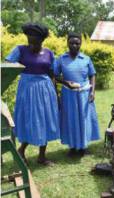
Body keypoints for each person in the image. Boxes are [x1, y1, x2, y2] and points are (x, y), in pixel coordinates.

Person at [5, 23, 60, 166]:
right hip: (27, 90)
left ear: (42, 40)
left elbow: (52, 73)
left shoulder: (49, 53)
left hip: (45, 89)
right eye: (29, 41)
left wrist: (55, 93)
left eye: (35, 42)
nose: (32, 45)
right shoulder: (20, 50)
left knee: (46, 120)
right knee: (30, 120)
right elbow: (6, 66)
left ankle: (42, 156)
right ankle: (21, 150)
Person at [54, 32, 100, 156]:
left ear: (81, 44)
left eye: (77, 43)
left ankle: (83, 146)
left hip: (84, 94)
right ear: (67, 43)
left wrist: (93, 91)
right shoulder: (61, 59)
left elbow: (92, 75)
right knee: (71, 119)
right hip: (68, 94)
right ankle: (73, 147)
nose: (74, 45)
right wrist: (65, 82)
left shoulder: (86, 59)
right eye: (72, 43)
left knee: (84, 119)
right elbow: (54, 75)